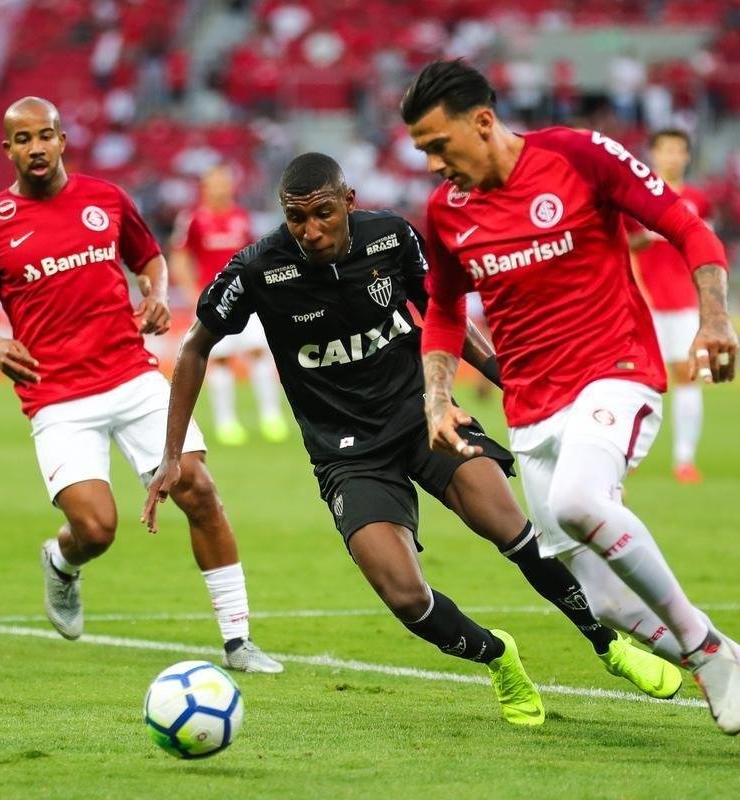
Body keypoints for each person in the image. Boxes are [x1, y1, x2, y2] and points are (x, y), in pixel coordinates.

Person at [143, 152, 682, 727]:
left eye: (324, 213)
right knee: (405, 596)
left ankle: (608, 643)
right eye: (297, 218)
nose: (311, 230)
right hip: (347, 453)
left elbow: (444, 314)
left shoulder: (391, 237)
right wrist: (172, 454)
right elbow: (197, 345)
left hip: (426, 416)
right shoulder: (258, 268)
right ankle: (498, 658)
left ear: (348, 201)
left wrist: (514, 384)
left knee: (514, 531)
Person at [402, 60, 740, 765]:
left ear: (483, 121)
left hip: (614, 372)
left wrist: (715, 317)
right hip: (530, 410)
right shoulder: (447, 212)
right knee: (606, 604)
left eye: (440, 145)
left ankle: (702, 648)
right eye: (424, 153)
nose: (436, 163)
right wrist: (437, 396)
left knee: (578, 500)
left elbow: (687, 226)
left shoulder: (578, 155)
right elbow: (445, 310)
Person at [0, 97, 282, 674]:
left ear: (63, 140)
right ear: (7, 149)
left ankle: (238, 641)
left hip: (132, 377)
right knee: (96, 528)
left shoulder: (105, 199)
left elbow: (149, 258)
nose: (37, 148)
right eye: (24, 139)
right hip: (56, 396)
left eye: (46, 136)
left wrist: (155, 295)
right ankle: (61, 561)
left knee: (199, 490)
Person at [170, 165, 289, 446]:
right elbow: (179, 257)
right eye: (214, 184)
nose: (220, 188)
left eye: (224, 183)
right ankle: (226, 423)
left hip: (247, 299)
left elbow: (257, 256)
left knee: (260, 353)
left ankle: (271, 417)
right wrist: (191, 293)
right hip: (213, 300)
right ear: (205, 187)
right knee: (219, 360)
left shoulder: (241, 216)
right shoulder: (192, 219)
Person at [628, 129, 711, 483]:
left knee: (686, 377)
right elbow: (627, 246)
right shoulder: (637, 195)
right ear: (654, 154)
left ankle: (684, 459)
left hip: (683, 303)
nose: (673, 156)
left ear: (687, 156)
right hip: (644, 301)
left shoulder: (698, 200)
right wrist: (636, 289)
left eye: (679, 150)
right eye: (666, 150)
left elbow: (704, 250)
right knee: (633, 379)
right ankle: (624, 460)